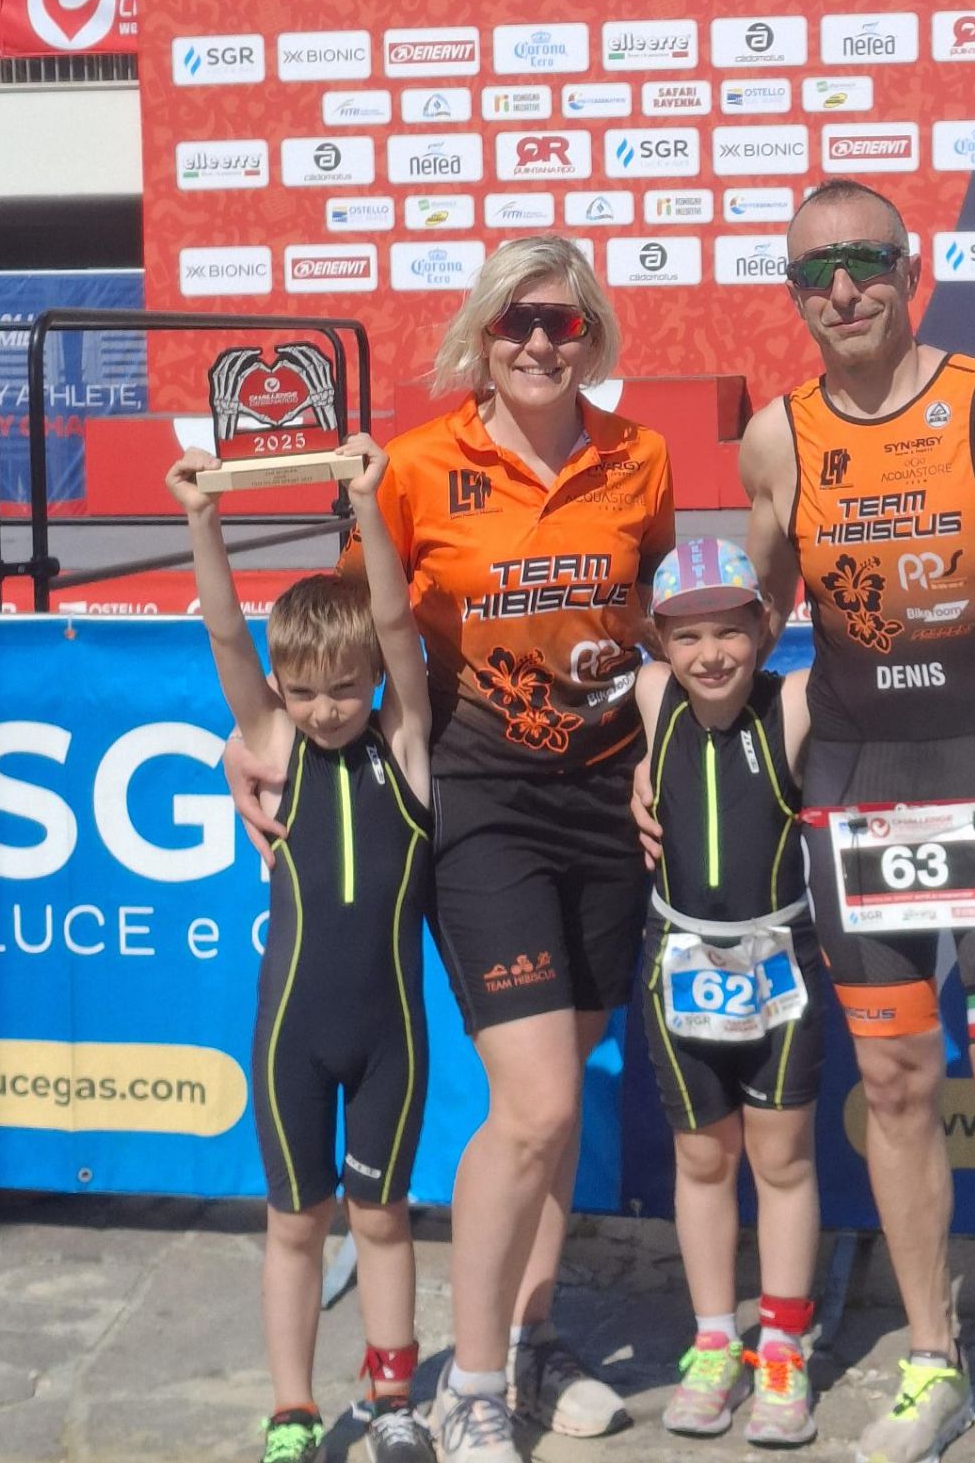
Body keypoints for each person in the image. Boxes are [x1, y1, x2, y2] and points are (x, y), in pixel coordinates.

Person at [229, 238, 674, 1463]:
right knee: (535, 1103)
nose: (538, 341)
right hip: (478, 800)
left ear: (592, 335)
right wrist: (249, 738)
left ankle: (534, 1337)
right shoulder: (421, 465)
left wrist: (658, 744)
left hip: (606, 800)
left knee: (560, 1092)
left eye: (561, 321)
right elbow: (335, 641)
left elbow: (653, 626)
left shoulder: (639, 457)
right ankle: (470, 1385)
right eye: (514, 320)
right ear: (481, 334)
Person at [714, 179, 975, 1463]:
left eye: (863, 262)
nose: (841, 290)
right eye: (814, 273)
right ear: (793, 295)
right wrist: (670, 750)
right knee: (894, 1087)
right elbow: (748, 625)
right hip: (857, 790)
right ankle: (933, 1360)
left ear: (911, 268)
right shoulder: (776, 439)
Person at [166, 435, 435, 1463]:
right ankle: (292, 1409)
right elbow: (227, 636)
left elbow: (398, 624)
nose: (327, 708)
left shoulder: (403, 747)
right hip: (290, 1037)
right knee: (293, 1224)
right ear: (282, 689)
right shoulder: (278, 745)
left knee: (383, 1219)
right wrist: (201, 520)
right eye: (306, 690)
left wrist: (367, 505)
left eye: (347, 688)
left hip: (390, 1040)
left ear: (374, 683)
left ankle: (395, 1397)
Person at [636, 537, 821, 1449]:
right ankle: (715, 1342)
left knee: (781, 1160)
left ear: (766, 626)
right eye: (687, 635)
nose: (710, 655)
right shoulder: (650, 697)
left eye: (730, 632)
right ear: (659, 643)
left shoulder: (795, 702)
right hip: (678, 961)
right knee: (703, 1159)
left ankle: (781, 1346)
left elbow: (902, 681)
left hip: (780, 959)